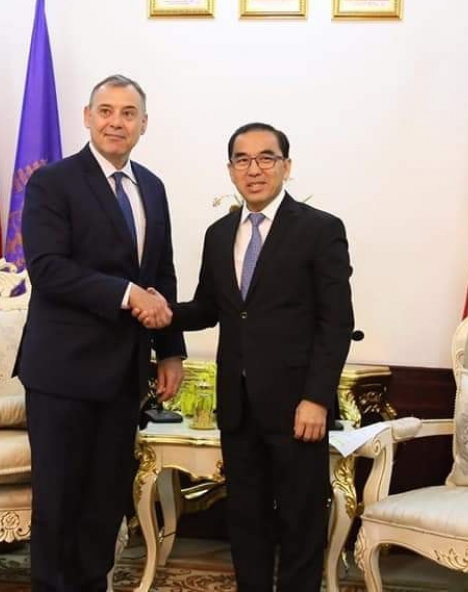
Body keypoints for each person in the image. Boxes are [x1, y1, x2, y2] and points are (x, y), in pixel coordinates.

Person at [137, 122, 354, 591]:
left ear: (286, 166)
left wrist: (317, 398)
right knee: (246, 518)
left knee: (300, 520)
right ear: (231, 169)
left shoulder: (320, 230)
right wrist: (161, 310)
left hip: (298, 407)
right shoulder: (219, 234)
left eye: (266, 158)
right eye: (243, 159)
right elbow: (209, 308)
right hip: (237, 406)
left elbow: (335, 323)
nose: (254, 169)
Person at [17, 74, 187, 592]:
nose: (117, 122)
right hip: (62, 373)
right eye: (106, 111)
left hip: (123, 374)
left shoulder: (152, 187)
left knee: (105, 502)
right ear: (87, 117)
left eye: (128, 113)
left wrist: (171, 351)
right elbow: (48, 269)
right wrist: (127, 294)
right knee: (59, 501)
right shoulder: (52, 183)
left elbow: (162, 273)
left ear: (144, 124)